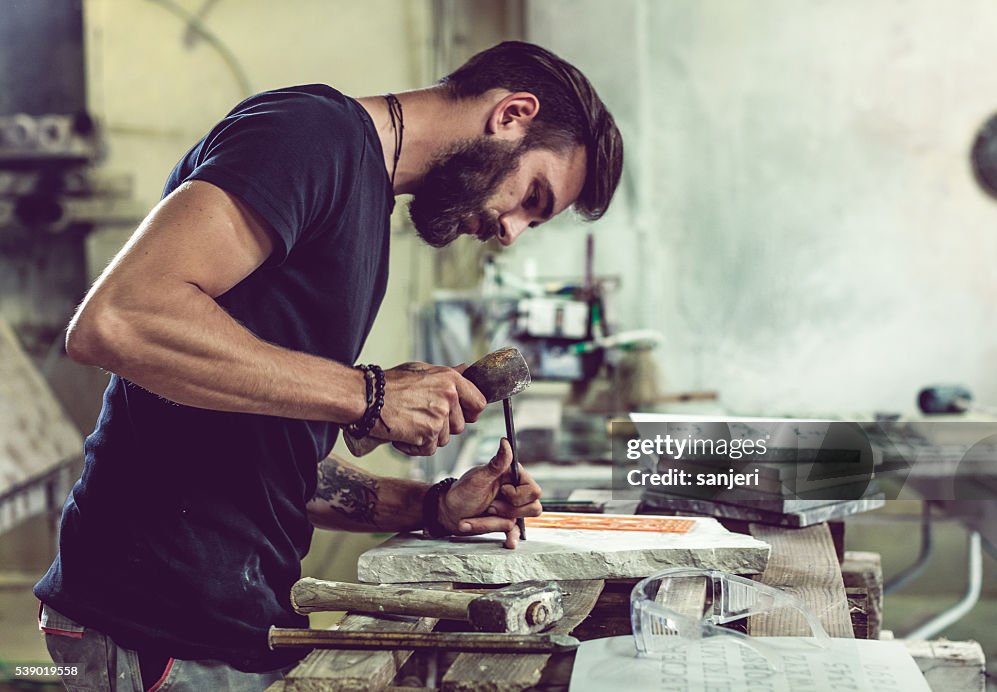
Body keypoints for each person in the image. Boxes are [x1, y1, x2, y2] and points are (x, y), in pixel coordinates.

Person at [35, 41, 623, 690]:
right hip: (149, 626)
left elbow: (275, 458)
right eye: (531, 196)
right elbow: (119, 318)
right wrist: (368, 395)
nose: (511, 231)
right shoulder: (310, 137)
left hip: (235, 629)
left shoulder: (368, 210)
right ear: (511, 114)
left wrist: (433, 507)